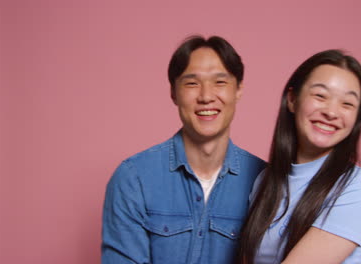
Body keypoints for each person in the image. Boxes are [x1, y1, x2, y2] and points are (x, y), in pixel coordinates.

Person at [101, 35, 265, 264]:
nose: (206, 96)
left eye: (220, 82)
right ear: (173, 93)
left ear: (238, 90)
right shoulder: (133, 178)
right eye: (192, 83)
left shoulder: (266, 181)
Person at [239, 50, 361, 264]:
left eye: (347, 104)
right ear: (292, 99)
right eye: (320, 96)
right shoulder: (263, 181)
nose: (332, 112)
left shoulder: (358, 186)